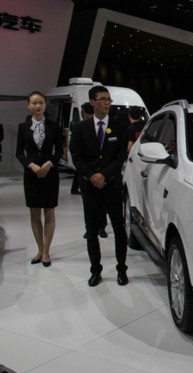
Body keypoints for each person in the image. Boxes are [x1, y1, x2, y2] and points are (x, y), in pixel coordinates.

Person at [70, 85, 129, 287]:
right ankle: (96, 270)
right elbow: (76, 156)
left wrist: (105, 175)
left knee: (119, 229)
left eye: (109, 100)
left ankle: (122, 269)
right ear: (92, 102)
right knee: (92, 231)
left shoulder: (119, 127)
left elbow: (121, 156)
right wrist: (91, 176)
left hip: (112, 186)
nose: (107, 103)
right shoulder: (81, 128)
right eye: (103, 99)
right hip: (90, 188)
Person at [15, 91, 63, 267]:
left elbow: (59, 150)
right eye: (34, 103)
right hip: (31, 175)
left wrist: (49, 164)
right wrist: (31, 165)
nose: (38, 106)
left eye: (41, 102)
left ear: (45, 104)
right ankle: (39, 249)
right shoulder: (23, 127)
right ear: (28, 105)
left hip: (50, 174)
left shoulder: (54, 126)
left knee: (49, 212)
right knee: (34, 213)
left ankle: (46, 252)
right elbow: (19, 152)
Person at [77, 103, 108, 238]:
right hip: (86, 173)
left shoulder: (104, 126)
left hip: (102, 172)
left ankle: (101, 227)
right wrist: (88, 174)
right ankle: (90, 228)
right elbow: (77, 154)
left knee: (102, 202)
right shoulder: (79, 128)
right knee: (88, 204)